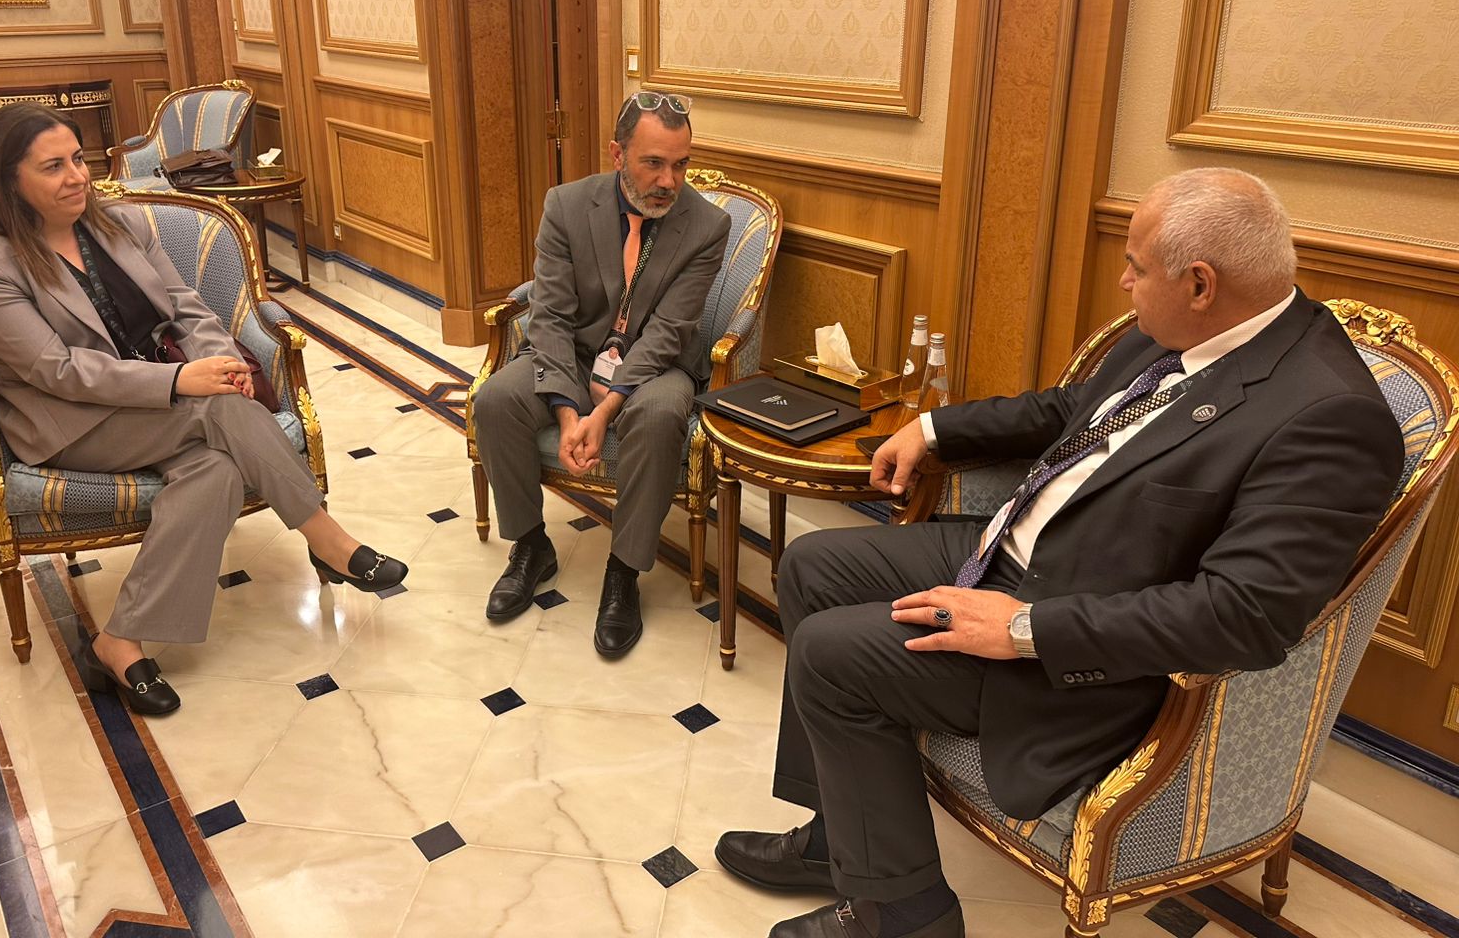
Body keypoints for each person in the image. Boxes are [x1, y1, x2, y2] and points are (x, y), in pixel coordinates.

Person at [714, 168, 1403, 938]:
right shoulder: (1185, 330)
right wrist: (933, 429)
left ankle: (903, 915)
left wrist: (1020, 628)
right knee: (814, 566)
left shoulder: (1329, 417)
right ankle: (844, 839)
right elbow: (1072, 412)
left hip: (1082, 643)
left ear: (1200, 283)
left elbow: (1244, 616)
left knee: (829, 652)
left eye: (1136, 267)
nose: (1124, 282)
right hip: (1019, 551)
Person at [0, 103, 406, 716]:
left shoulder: (119, 224)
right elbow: (55, 369)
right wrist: (185, 379)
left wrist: (225, 363)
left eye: (78, 159)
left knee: (214, 468)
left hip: (163, 404)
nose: (77, 177)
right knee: (217, 411)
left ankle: (118, 642)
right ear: (8, 180)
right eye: (53, 167)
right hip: (72, 422)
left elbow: (185, 307)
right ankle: (327, 540)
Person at [472, 91, 730, 656]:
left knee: (659, 416)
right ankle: (532, 545)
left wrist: (606, 408)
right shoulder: (566, 205)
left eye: (681, 164)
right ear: (617, 154)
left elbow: (669, 331)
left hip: (656, 364)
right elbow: (551, 316)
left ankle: (623, 572)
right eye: (653, 163)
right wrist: (570, 414)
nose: (669, 181)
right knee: (495, 400)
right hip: (576, 351)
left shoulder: (708, 225)